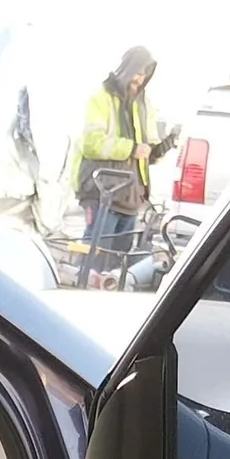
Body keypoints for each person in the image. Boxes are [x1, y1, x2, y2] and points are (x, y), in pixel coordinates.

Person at [71, 46, 176, 287]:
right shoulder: (100, 99)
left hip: (131, 194)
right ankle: (82, 290)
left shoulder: (144, 104)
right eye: (137, 72)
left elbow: (146, 149)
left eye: (145, 74)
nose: (140, 79)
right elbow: (91, 143)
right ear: (126, 69)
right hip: (102, 191)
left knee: (119, 264)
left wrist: (160, 149)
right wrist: (130, 149)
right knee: (95, 257)